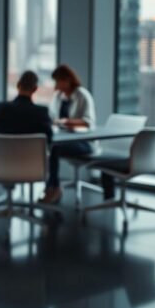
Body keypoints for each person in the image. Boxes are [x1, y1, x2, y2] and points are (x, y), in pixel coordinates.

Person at [38, 64, 99, 204]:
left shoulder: (82, 95)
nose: (56, 85)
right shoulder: (58, 97)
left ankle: (53, 188)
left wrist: (67, 122)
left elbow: (88, 122)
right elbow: (53, 117)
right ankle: (51, 187)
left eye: (58, 81)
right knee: (48, 146)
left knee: (54, 148)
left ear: (67, 79)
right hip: (64, 140)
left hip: (85, 143)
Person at [0, 70, 53, 142]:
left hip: (3, 153)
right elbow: (49, 138)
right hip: (31, 154)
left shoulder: (1, 108)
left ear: (18, 85)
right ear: (35, 89)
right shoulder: (42, 112)